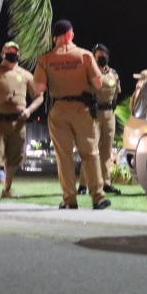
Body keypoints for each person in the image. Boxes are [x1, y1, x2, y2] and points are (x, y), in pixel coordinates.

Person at [33, 19, 111, 210]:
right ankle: (98, 197)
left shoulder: (46, 59)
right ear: (70, 35)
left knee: (63, 156)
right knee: (90, 153)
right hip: (82, 110)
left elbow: (39, 87)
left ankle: (70, 199)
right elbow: (98, 84)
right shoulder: (84, 56)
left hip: (58, 110)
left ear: (55, 38)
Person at [0, 41, 43, 202]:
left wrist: (29, 110)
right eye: (8, 51)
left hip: (18, 124)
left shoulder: (25, 75)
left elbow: (39, 96)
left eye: (15, 52)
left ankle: (7, 189)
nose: (12, 54)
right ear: (2, 53)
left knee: (13, 158)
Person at [78, 43, 122, 196]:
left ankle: (106, 183)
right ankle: (83, 184)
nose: (102, 56)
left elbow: (116, 92)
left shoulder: (113, 73)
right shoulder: (89, 72)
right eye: (99, 54)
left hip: (109, 115)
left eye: (104, 54)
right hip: (93, 114)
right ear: (94, 56)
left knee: (106, 151)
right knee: (91, 150)